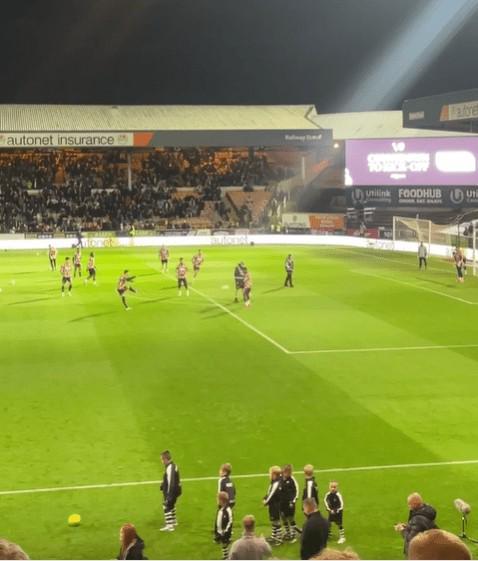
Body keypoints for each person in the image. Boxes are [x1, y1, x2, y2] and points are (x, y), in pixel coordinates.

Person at [160, 450, 182, 532]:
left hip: (172, 491)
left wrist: (169, 496)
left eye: (162, 459)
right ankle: (174, 521)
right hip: (175, 491)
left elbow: (171, 483)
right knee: (171, 505)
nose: (162, 461)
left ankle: (170, 526)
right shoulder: (173, 465)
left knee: (166, 505)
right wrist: (162, 484)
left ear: (165, 459)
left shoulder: (170, 468)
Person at [263, 465, 283, 546]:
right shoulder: (274, 482)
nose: (269, 475)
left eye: (270, 474)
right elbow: (269, 492)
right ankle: (274, 536)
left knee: (276, 521)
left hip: (276, 505)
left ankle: (278, 538)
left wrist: (266, 502)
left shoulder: (276, 483)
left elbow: (272, 494)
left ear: (274, 475)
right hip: (273, 504)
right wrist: (265, 497)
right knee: (274, 520)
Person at [280, 463, 300, 542]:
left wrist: (293, 501)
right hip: (282, 503)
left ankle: (293, 535)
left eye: (288, 472)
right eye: (285, 472)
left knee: (290, 518)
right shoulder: (280, 478)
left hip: (290, 503)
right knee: (283, 517)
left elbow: (296, 491)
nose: (286, 474)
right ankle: (288, 532)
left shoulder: (292, 480)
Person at [214, 491, 233, 560]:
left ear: (221, 501)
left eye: (217, 499)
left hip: (225, 532)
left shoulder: (228, 510)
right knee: (223, 545)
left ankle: (226, 557)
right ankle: (225, 556)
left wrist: (226, 531)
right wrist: (216, 531)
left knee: (225, 544)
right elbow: (218, 520)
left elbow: (230, 521)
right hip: (220, 531)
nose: (217, 501)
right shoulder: (220, 509)